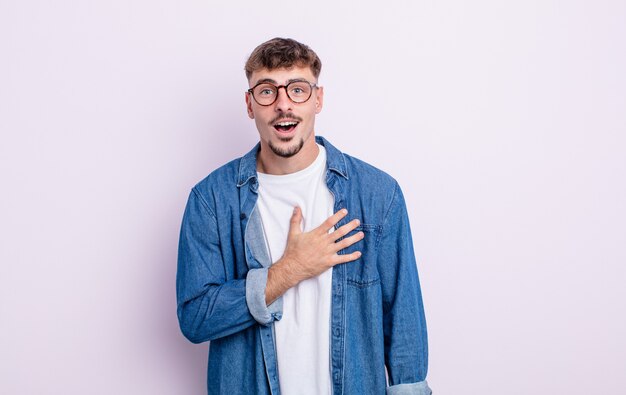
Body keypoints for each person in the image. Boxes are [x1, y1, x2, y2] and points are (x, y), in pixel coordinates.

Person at [176, 37, 431, 395]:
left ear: (318, 99)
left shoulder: (377, 194)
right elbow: (195, 319)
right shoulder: (210, 200)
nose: (283, 105)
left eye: (297, 90)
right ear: (250, 105)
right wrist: (288, 271)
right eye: (267, 91)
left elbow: (404, 323)